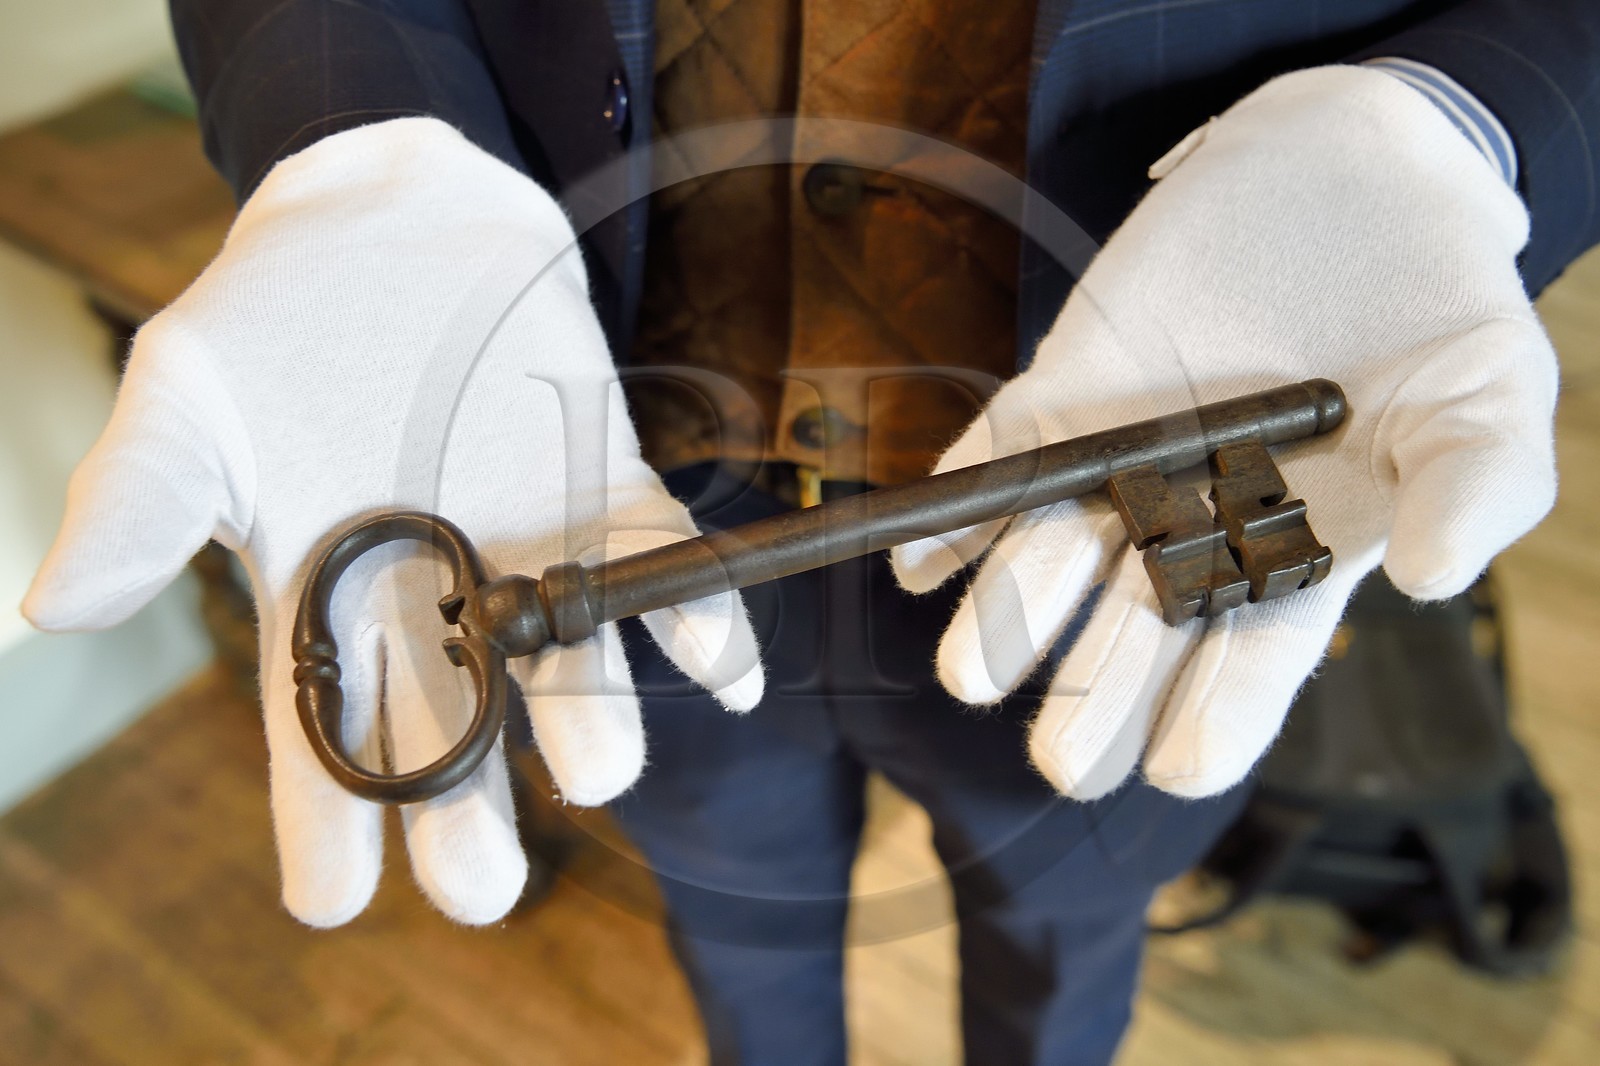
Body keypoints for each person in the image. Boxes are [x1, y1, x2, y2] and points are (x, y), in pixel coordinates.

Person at [21, 1, 1600, 1063]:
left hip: (1107, 508)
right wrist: (355, 131)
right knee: (741, 937)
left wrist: (1450, 118)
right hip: (600, 467)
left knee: (1061, 937)